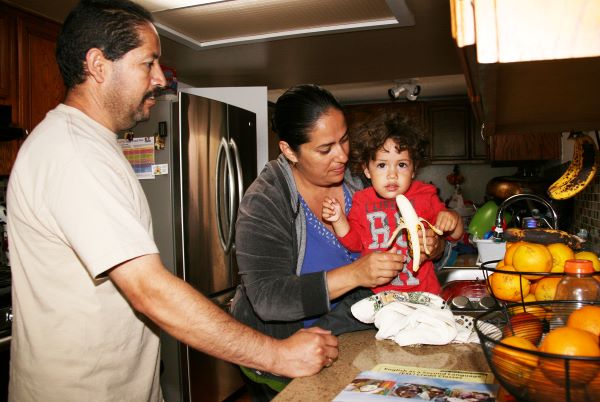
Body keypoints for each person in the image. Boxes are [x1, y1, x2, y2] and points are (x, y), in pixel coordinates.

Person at [6, 1, 338, 401]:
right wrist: (276, 355)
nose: (161, 78)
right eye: (148, 63)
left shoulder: (92, 146)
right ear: (98, 65)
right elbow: (149, 288)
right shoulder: (73, 153)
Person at [231, 84, 447, 400]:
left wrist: (435, 247)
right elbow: (268, 298)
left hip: (352, 341)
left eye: (344, 139)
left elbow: (420, 223)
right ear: (289, 151)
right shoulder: (265, 201)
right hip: (283, 357)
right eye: (325, 149)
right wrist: (357, 274)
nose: (342, 156)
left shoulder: (363, 178)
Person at [322, 115, 463, 295]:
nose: (392, 175)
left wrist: (452, 218)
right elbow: (354, 243)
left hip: (425, 295)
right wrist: (338, 219)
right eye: (382, 165)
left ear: (414, 169)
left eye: (402, 165)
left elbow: (456, 234)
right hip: (382, 300)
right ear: (367, 169)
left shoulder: (425, 195)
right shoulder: (361, 201)